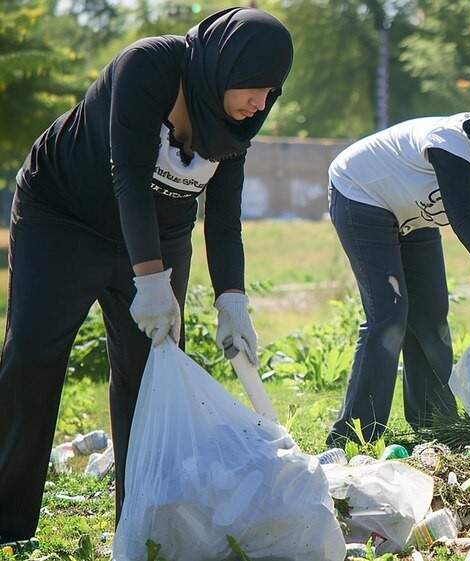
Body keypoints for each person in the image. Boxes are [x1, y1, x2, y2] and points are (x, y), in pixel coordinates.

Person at [0, 8, 293, 543]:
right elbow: (128, 177)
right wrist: (152, 284)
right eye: (252, 89)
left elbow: (224, 220)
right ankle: (6, 523)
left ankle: (139, 529)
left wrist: (233, 302)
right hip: (64, 215)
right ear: (224, 67)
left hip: (161, 230)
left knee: (149, 375)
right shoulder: (149, 66)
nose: (260, 104)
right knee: (33, 357)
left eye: (270, 94)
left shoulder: (238, 124)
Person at [325, 90, 470, 444]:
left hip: (414, 215)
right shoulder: (452, 146)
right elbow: (465, 224)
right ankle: (356, 434)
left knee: (431, 316)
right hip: (362, 195)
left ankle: (436, 424)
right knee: (389, 316)